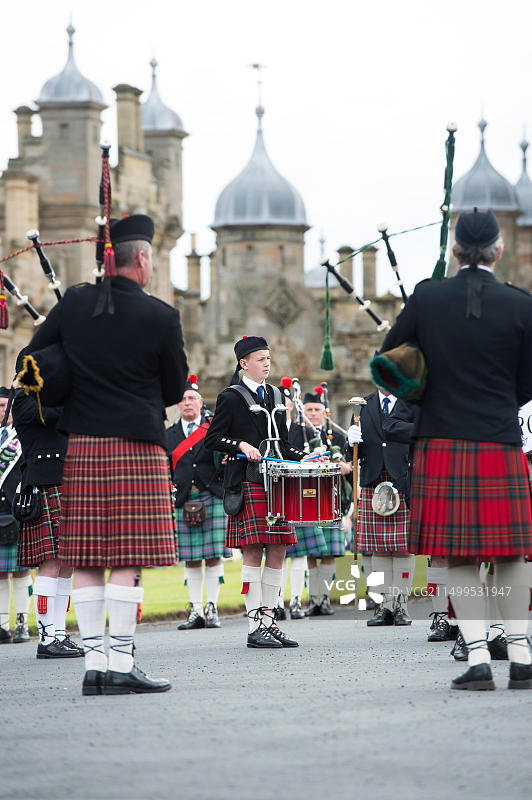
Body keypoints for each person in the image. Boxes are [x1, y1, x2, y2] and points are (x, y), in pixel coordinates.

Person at [21, 214, 188, 695]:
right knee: (126, 556)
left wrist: (71, 373)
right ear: (141, 259)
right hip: (138, 445)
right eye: (152, 259)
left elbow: (31, 360)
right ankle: (120, 662)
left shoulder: (74, 302)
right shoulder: (161, 316)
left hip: (84, 444)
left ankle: (94, 665)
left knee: (88, 555)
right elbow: (176, 388)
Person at [381, 208, 532, 690]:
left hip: (442, 439)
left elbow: (391, 364)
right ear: (498, 251)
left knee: (460, 557)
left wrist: (428, 393)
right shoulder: (520, 303)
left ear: (454, 251)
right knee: (511, 554)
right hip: (500, 437)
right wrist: (502, 401)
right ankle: (523, 656)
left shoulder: (428, 296)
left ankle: (477, 661)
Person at [204, 336, 321, 648]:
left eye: (268, 358)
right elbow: (213, 438)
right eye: (260, 359)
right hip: (249, 481)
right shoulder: (231, 396)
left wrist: (305, 457)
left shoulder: (275, 394)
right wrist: (240, 444)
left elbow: (281, 443)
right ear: (244, 363)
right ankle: (255, 625)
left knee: (280, 548)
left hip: (277, 482)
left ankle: (271, 622)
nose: (267, 363)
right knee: (254, 549)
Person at [13, 388, 83, 658]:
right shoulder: (23, 399)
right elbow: (51, 414)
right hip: (45, 486)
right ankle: (45, 638)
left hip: (68, 483)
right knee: (51, 563)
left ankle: (59, 634)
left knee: (67, 564)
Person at [348, 389, 416, 627]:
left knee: (403, 548)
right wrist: (351, 441)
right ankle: (383, 606)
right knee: (379, 548)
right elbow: (353, 454)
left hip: (403, 478)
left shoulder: (410, 402)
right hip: (373, 479)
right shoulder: (362, 404)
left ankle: (401, 606)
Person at [167, 375, 230, 630]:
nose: (187, 403)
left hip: (211, 495)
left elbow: (226, 458)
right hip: (183, 498)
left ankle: (212, 608)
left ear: (201, 402)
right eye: (182, 399)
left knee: (214, 556)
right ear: (177, 405)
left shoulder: (214, 429)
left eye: (192, 398)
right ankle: (195, 610)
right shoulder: (168, 434)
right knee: (191, 558)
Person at [289, 387, 350, 617]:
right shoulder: (295, 434)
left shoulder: (339, 437)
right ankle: (313, 599)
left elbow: (352, 471)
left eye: (317, 409)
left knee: (328, 555)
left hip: (332, 500)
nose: (312, 413)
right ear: (302, 411)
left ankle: (324, 599)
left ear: (325, 412)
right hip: (306, 502)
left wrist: (348, 468)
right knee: (311, 554)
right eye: (308, 409)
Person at [0, 387, 32, 645]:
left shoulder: (23, 437)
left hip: (18, 509)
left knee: (21, 571)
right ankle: (1, 624)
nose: (1, 411)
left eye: (4, 406)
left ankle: (22, 623)